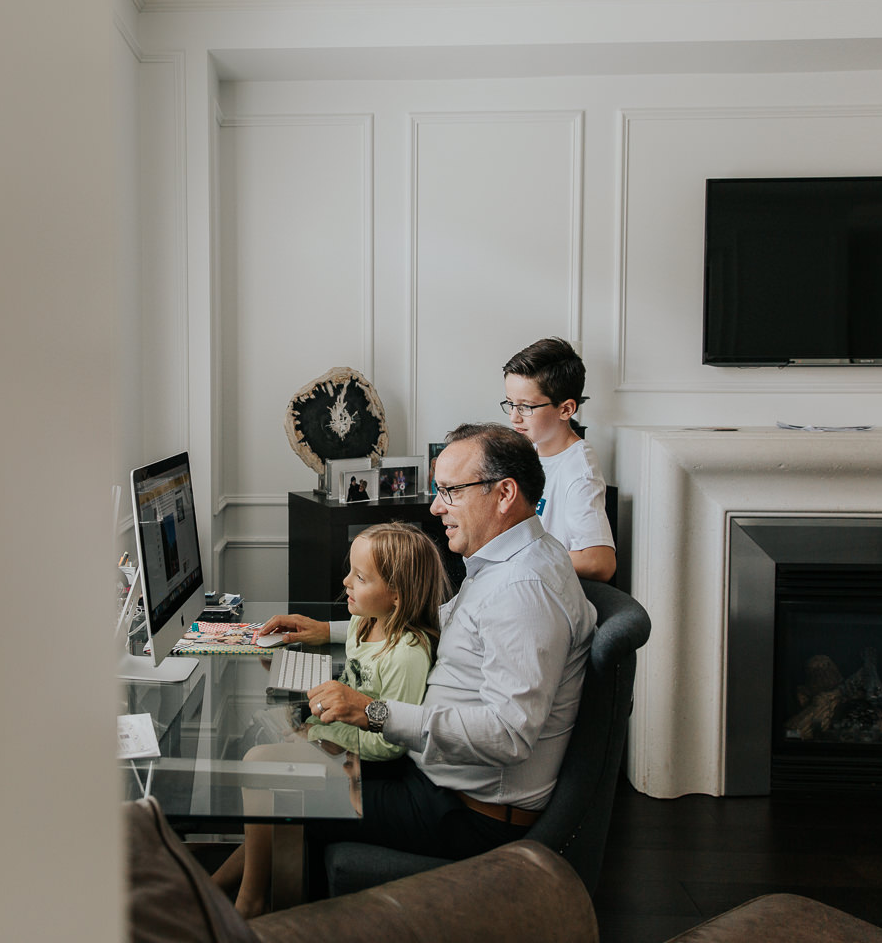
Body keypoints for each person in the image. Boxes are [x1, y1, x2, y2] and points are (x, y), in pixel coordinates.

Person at [259, 423, 597, 863]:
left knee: (272, 776)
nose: (437, 507)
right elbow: (443, 630)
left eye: (450, 491)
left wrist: (372, 712)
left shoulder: (522, 591)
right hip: (439, 779)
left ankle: (260, 918)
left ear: (504, 493)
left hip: (463, 812)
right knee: (277, 757)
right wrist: (332, 631)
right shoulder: (518, 556)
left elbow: (510, 734)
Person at [212, 522, 448, 916]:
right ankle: (220, 886)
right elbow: (350, 676)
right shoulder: (365, 623)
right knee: (265, 777)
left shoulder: (407, 654)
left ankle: (248, 900)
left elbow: (390, 743)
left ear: (396, 595)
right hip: (335, 736)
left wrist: (323, 738)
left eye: (359, 576)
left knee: (257, 764)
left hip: (368, 765)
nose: (345, 582)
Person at [502, 337, 616, 581]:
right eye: (511, 403)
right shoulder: (530, 450)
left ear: (566, 409)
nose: (514, 417)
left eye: (526, 407)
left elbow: (599, 562)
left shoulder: (579, 469)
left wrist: (520, 558)